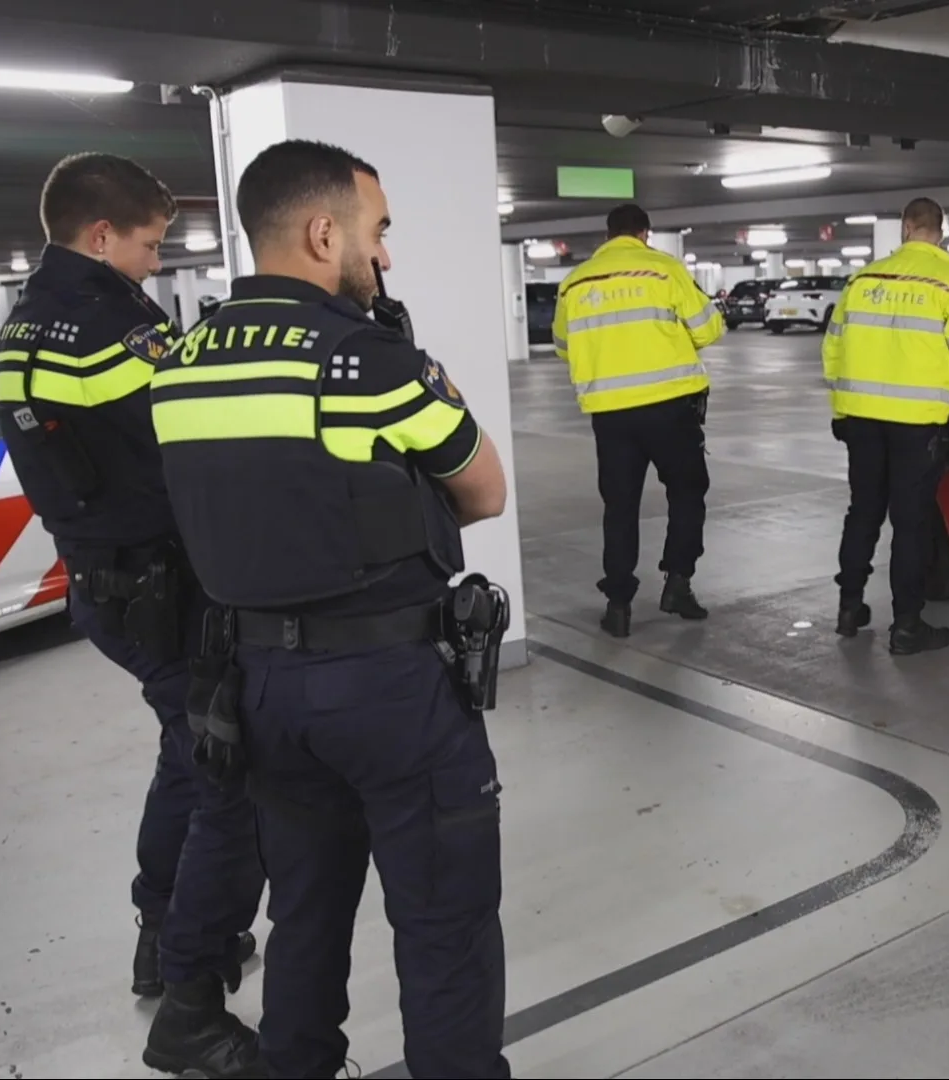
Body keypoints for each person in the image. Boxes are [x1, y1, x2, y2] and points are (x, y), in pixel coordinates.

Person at [148, 139, 512, 1078]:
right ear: (322, 232)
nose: (383, 254)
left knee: (306, 909)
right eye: (376, 230)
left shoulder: (179, 365)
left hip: (258, 687)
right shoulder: (369, 360)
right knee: (443, 919)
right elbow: (483, 493)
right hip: (392, 688)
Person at [0, 152, 265, 1078]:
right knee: (218, 768)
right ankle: (191, 977)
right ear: (101, 237)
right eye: (150, 246)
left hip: (107, 584)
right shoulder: (104, 324)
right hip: (159, 586)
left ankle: (164, 928)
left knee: (184, 752)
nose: (157, 262)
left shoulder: (27, 320)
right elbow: (195, 433)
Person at [821, 197, 949, 654]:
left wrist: (841, 410)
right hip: (919, 427)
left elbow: (832, 352)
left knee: (863, 513)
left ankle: (849, 607)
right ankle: (907, 625)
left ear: (905, 227)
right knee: (910, 524)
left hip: (861, 421)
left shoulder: (863, 279)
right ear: (941, 229)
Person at [552, 203, 725, 638]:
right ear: (645, 234)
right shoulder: (664, 270)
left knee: (620, 506)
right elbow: (707, 330)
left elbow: (562, 345)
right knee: (687, 492)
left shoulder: (575, 282)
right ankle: (678, 584)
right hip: (670, 407)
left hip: (610, 415)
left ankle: (618, 606)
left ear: (608, 235)